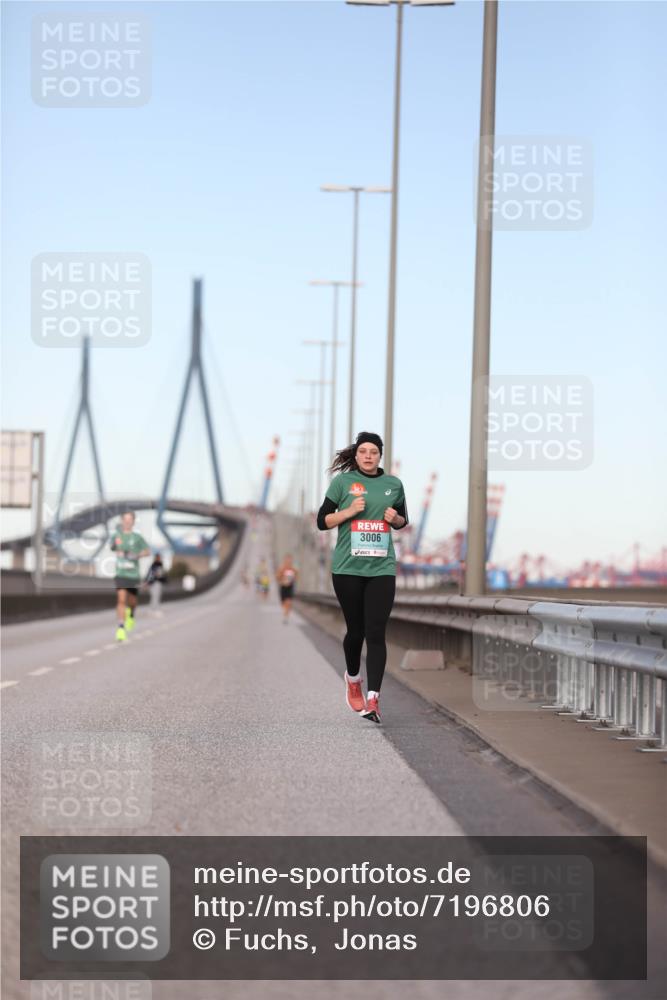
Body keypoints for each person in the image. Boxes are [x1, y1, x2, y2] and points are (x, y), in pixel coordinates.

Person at [317, 431, 408, 724]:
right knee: (355, 632)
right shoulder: (342, 483)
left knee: (376, 632)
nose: (368, 456)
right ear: (356, 455)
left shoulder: (393, 484)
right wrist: (347, 512)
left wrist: (396, 521)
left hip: (381, 569)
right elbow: (322, 521)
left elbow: (403, 520)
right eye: (363, 451)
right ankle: (354, 678)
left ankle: (373, 700)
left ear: (380, 455)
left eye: (374, 452)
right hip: (347, 569)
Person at [110, 511, 150, 641]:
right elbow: (112, 547)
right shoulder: (116, 535)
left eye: (130, 519)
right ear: (122, 521)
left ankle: (131, 614)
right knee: (121, 600)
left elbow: (147, 551)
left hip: (133, 575)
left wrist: (137, 555)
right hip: (121, 573)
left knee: (132, 602)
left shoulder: (137, 537)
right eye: (125, 519)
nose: (127, 522)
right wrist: (115, 546)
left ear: (133, 521)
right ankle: (121, 628)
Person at [276, 553, 299, 624]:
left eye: (290, 560)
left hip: (290, 587)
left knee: (288, 602)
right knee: (283, 603)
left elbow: (297, 577)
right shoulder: (281, 569)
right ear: (284, 560)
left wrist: (292, 580)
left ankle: (286, 617)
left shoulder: (294, 569)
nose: (288, 561)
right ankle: (285, 613)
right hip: (283, 587)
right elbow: (278, 577)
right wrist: (283, 581)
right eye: (287, 560)